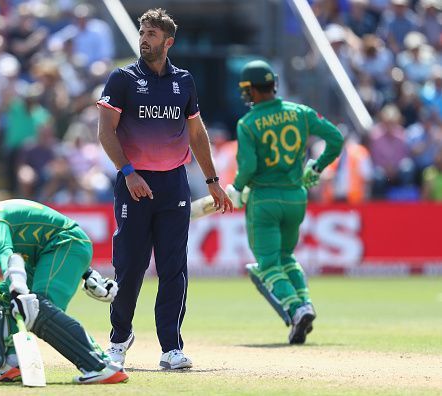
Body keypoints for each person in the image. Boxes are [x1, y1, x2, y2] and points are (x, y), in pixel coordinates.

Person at [96, 8, 232, 369]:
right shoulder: (122, 78)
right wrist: (128, 172)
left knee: (174, 267)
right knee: (130, 266)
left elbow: (197, 132)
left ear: (168, 42)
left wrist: (212, 181)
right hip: (134, 183)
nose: (144, 39)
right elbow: (105, 131)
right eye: (143, 32)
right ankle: (118, 339)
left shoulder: (184, 81)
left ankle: (171, 347)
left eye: (152, 34)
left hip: (173, 184)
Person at [0, 199, 129, 385]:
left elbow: (8, 257)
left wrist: (19, 289)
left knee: (36, 307)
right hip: (45, 253)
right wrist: (88, 273)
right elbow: (39, 230)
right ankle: (12, 362)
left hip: (65, 244)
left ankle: (100, 365)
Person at [226, 60, 343, 344]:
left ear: (251, 90)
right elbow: (336, 139)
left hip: (265, 198)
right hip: (295, 196)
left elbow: (250, 165)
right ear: (274, 84)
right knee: (287, 257)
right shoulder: (300, 112)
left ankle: (296, 307)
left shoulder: (248, 123)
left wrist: (236, 188)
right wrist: (316, 168)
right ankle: (304, 303)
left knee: (267, 264)